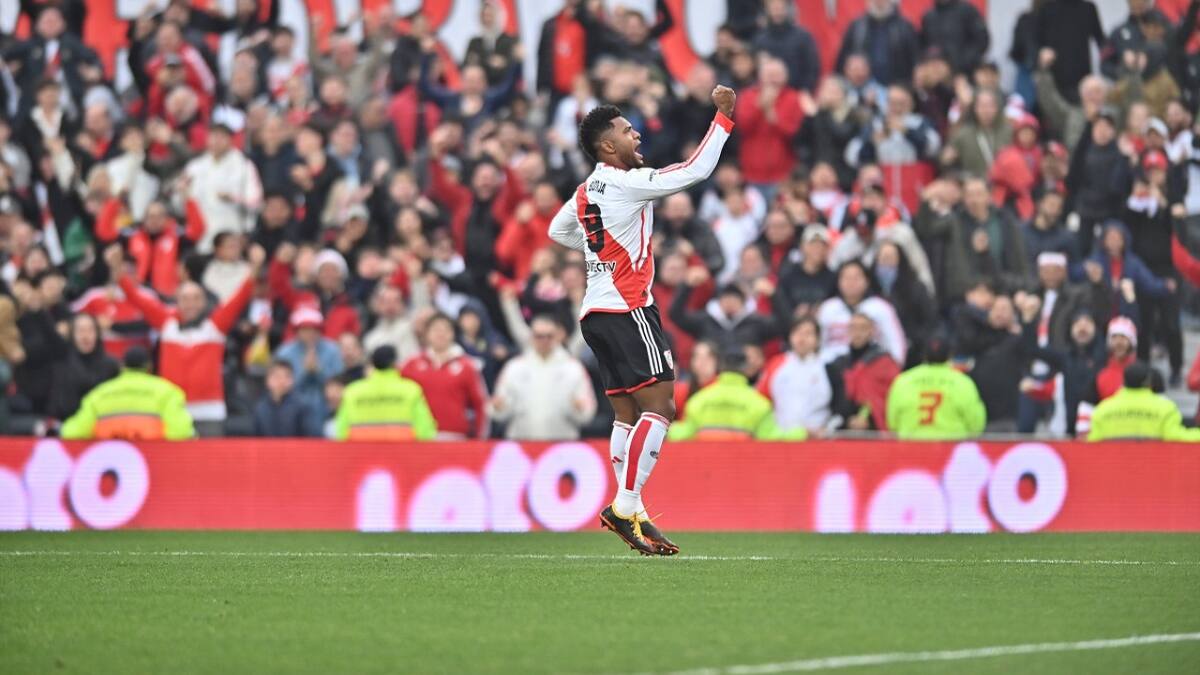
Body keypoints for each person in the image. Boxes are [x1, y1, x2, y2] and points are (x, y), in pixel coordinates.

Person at [547, 86, 737, 556]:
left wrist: (600, 254)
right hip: (629, 307)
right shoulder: (626, 181)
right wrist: (724, 118)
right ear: (607, 147)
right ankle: (625, 504)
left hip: (595, 311)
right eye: (627, 131)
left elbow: (558, 230)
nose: (637, 135)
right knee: (662, 407)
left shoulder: (585, 188)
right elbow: (695, 170)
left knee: (626, 415)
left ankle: (635, 510)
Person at [109, 244, 259, 437]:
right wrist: (116, 267)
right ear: (177, 302)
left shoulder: (214, 326)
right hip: (172, 409)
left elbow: (241, 296)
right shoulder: (166, 324)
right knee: (174, 466)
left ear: (204, 302)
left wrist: (255, 267)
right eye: (185, 299)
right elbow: (136, 298)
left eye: (196, 298)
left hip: (209, 412)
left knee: (209, 464)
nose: (191, 304)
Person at [490, 315, 596, 440]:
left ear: (558, 336)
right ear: (531, 337)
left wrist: (577, 408)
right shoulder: (514, 368)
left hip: (562, 446)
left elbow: (587, 413)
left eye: (549, 336)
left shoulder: (573, 368)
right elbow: (499, 410)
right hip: (522, 445)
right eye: (539, 336)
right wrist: (498, 407)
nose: (544, 340)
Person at [669, 348, 805, 441]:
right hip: (743, 473)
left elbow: (681, 434)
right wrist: (803, 433)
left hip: (707, 473)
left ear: (720, 366)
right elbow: (773, 437)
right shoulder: (759, 404)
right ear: (746, 368)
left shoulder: (698, 401)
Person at [61, 346, 194, 441]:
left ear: (122, 366)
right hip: (154, 464)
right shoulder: (168, 392)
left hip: (112, 464)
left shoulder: (99, 394)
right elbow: (180, 432)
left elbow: (72, 432)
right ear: (149, 366)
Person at [400, 313, 489, 440]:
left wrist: (479, 439)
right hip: (420, 436)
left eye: (446, 329)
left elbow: (480, 404)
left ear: (453, 334)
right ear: (427, 334)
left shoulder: (467, 366)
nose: (440, 334)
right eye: (436, 329)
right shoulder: (411, 365)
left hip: (455, 437)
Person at [887, 334, 986, 440]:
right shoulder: (962, 382)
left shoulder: (903, 381)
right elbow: (976, 425)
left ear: (923, 354)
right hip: (951, 452)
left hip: (911, 450)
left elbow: (892, 423)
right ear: (950, 354)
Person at [757, 317, 842, 436]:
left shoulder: (828, 368)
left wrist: (827, 429)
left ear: (817, 340)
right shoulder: (776, 364)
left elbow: (840, 406)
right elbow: (761, 401)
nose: (802, 338)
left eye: (808, 334)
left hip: (817, 439)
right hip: (782, 437)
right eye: (797, 332)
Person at [334, 346, 436, 441]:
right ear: (395, 363)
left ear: (372, 364)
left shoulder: (352, 391)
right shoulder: (411, 390)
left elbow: (341, 433)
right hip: (402, 456)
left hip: (362, 456)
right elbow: (425, 432)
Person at [1088, 362, 1200, 442]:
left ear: (1124, 382)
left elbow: (1091, 442)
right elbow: (1176, 437)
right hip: (1153, 471)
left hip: (1113, 471)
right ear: (1149, 382)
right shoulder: (1165, 409)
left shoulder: (1102, 410)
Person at [829, 311, 901, 431]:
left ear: (871, 331)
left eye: (863, 328)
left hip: (875, 429)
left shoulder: (884, 362)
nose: (857, 333)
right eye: (853, 328)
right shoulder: (838, 364)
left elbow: (891, 396)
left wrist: (867, 417)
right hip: (843, 428)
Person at [47, 313, 119, 421]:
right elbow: (58, 406)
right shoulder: (62, 365)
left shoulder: (111, 365)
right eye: (80, 331)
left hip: (103, 424)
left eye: (90, 330)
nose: (85, 336)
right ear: (72, 335)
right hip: (70, 426)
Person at [253, 360, 320, 437]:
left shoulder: (302, 406)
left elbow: (310, 437)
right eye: (277, 376)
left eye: (287, 376)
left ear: (293, 380)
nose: (282, 381)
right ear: (267, 380)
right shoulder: (261, 408)